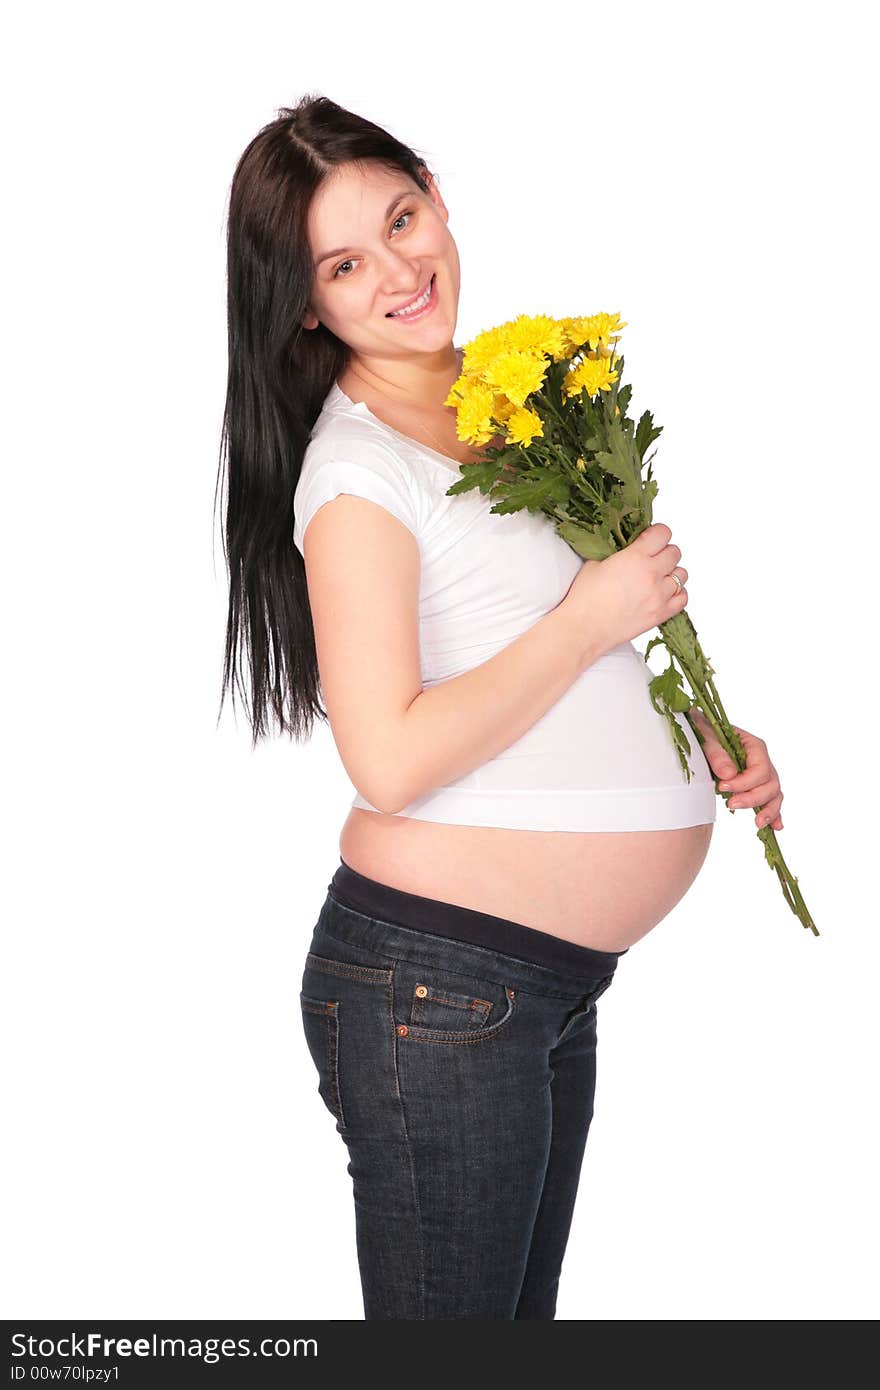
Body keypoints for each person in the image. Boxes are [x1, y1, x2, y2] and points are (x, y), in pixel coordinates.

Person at [217, 94, 785, 1320]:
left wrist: (699, 742)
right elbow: (389, 756)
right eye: (345, 263)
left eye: (402, 217)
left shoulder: (505, 400)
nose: (400, 271)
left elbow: (552, 651)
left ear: (432, 186)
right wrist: (590, 614)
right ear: (308, 305)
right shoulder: (361, 473)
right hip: (434, 991)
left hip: (530, 983)